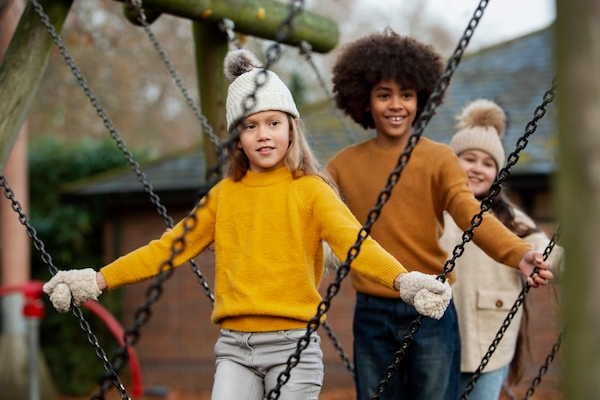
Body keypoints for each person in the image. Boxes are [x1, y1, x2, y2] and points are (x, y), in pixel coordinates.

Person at [42, 49, 453, 400]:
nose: (263, 135)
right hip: (235, 348)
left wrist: (403, 282)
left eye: (273, 123)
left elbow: (354, 243)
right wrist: (97, 280)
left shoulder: (310, 191)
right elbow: (166, 249)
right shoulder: (224, 197)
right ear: (237, 139)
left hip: (294, 342)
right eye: (250, 126)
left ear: (291, 128)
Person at [325, 28, 553, 400]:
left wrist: (519, 253)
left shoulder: (438, 159)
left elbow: (470, 215)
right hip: (371, 312)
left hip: (430, 306)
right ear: (364, 101)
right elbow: (314, 217)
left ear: (421, 99)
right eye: (384, 95)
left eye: (407, 95)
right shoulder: (343, 166)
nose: (396, 104)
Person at [440, 98, 564, 400]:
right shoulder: (435, 213)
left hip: (491, 334)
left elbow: (545, 251)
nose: (477, 169)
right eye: (469, 159)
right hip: (437, 335)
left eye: (488, 163)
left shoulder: (511, 218)